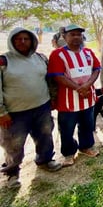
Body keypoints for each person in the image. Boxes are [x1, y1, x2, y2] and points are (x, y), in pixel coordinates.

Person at [0, 27, 62, 189]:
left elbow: (50, 81)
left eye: (26, 39)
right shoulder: (3, 61)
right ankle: (12, 173)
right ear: (12, 41)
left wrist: (53, 99)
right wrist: (1, 112)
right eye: (18, 39)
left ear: (32, 41)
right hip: (14, 113)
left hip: (42, 107)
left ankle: (45, 160)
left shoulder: (40, 58)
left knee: (45, 136)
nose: (22, 42)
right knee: (13, 144)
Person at [48, 24, 100, 166]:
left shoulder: (88, 52)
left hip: (88, 98)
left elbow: (96, 69)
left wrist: (87, 85)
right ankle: (69, 153)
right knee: (66, 129)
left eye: (79, 34)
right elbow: (57, 76)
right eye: (72, 34)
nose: (76, 37)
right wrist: (79, 88)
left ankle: (86, 147)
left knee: (87, 125)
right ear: (64, 37)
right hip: (68, 101)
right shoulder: (58, 54)